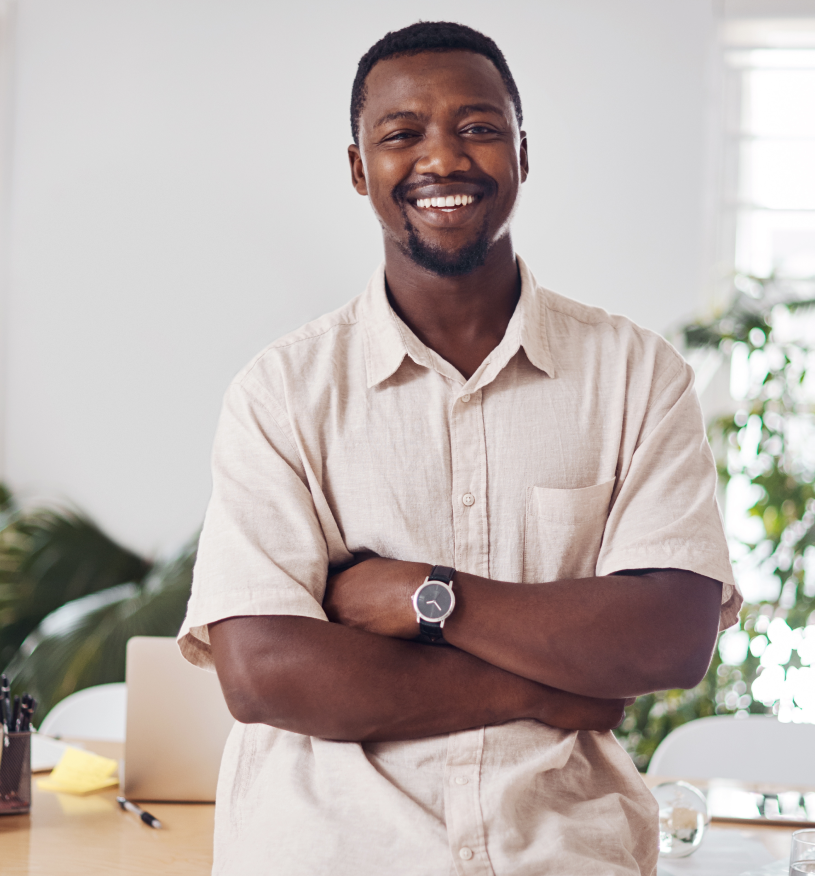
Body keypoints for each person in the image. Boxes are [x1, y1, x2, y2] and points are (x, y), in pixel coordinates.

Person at [178, 20, 741, 875]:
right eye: (402, 134)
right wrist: (547, 684)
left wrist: (425, 595)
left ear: (523, 152)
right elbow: (264, 673)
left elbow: (669, 638)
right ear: (359, 168)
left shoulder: (637, 375)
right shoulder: (281, 392)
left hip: (562, 852)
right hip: (332, 851)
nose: (442, 159)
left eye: (477, 127)